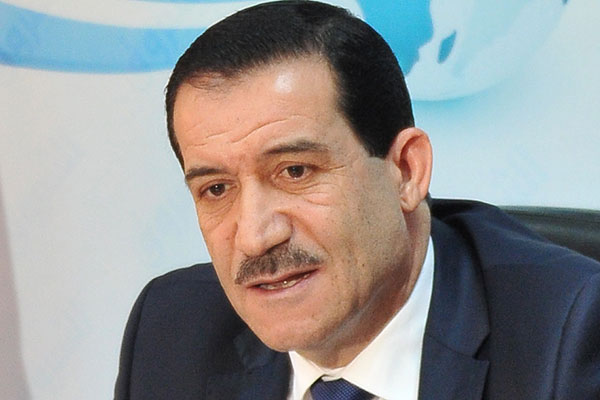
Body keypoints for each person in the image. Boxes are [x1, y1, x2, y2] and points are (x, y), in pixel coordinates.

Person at [114, 1, 600, 399]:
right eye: (217, 189)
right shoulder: (171, 330)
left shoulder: (568, 336)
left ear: (406, 170)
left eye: (295, 171)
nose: (256, 237)